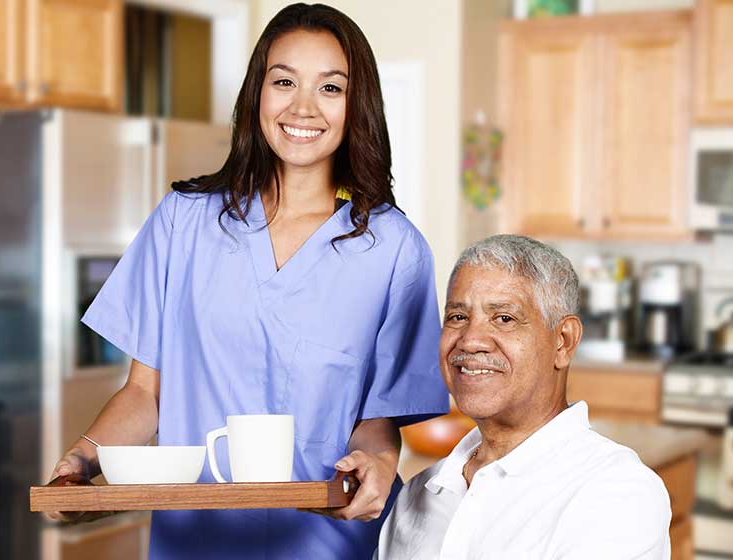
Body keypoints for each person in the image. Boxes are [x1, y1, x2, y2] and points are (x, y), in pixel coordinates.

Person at [48, 3, 450, 558]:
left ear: (357, 105)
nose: (303, 107)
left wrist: (380, 463)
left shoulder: (394, 249)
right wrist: (80, 461)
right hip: (195, 543)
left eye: (330, 88)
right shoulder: (184, 221)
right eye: (283, 82)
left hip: (327, 543)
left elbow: (374, 418)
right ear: (256, 93)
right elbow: (145, 393)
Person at [376, 235, 672, 560]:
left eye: (504, 318)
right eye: (458, 317)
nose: (471, 341)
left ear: (563, 341)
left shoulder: (617, 491)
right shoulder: (415, 497)